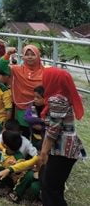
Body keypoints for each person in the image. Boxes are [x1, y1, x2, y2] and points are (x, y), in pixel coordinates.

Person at [38, 67, 85, 206]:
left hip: (62, 149)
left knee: (50, 187)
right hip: (67, 149)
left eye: (45, 78)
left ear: (53, 80)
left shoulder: (56, 99)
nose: (43, 81)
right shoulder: (64, 96)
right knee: (54, 187)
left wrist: (44, 152)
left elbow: (53, 130)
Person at [0, 45, 44, 134]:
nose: (30, 57)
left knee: (38, 135)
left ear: (38, 56)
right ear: (23, 56)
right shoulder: (17, 70)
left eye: (33, 54)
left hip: (40, 109)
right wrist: (7, 54)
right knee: (22, 133)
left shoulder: (46, 72)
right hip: (21, 109)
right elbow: (2, 67)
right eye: (27, 54)